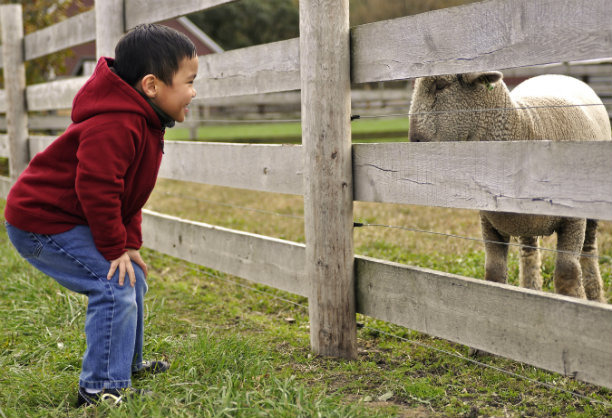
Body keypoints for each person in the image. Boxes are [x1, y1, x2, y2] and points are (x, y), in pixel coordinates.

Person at [4, 23, 198, 407]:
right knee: (112, 285)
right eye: (189, 82)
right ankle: (99, 389)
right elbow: (97, 191)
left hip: (69, 217)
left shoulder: (145, 121)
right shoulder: (116, 123)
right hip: (40, 223)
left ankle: (127, 363)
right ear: (152, 86)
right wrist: (113, 249)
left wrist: (130, 246)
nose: (193, 91)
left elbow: (129, 195)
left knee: (133, 277)